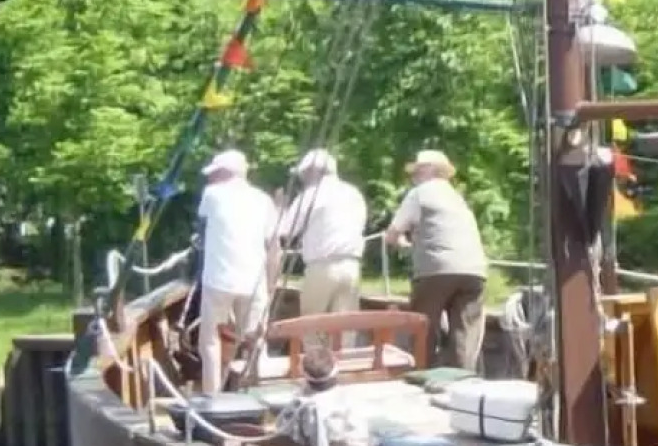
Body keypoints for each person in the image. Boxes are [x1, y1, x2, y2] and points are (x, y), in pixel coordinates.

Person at [383, 149, 488, 371]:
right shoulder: (458, 198)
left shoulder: (419, 193)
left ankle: (422, 373)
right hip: (475, 270)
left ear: (428, 170)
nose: (413, 176)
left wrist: (401, 243)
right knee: (465, 332)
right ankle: (462, 378)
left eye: (417, 171)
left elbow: (393, 233)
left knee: (423, 327)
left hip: (436, 269)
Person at [195, 148, 277, 394]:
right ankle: (256, 392)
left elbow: (202, 224)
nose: (211, 178)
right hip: (254, 281)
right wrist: (271, 283)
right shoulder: (264, 200)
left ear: (224, 172)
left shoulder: (211, 194)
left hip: (218, 280)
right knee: (255, 339)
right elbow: (274, 246)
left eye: (215, 173)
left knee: (210, 340)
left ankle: (211, 395)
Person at [273, 148, 368, 316]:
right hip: (352, 266)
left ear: (312, 171)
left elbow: (286, 231)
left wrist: (280, 207)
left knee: (312, 324)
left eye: (303, 174)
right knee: (344, 325)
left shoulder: (311, 195)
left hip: (322, 265)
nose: (302, 179)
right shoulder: (354, 194)